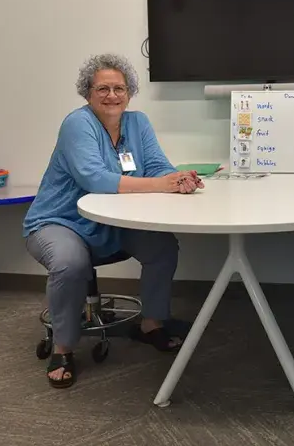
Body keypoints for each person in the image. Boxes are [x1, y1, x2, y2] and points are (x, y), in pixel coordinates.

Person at [23, 53, 204, 389]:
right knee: (69, 263)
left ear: (129, 92)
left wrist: (178, 179)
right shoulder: (77, 124)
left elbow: (158, 167)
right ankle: (63, 348)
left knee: (161, 245)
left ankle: (151, 324)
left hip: (111, 224)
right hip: (60, 222)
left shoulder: (138, 123)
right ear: (88, 93)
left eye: (119, 88)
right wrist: (159, 184)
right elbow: (96, 179)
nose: (112, 95)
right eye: (102, 88)